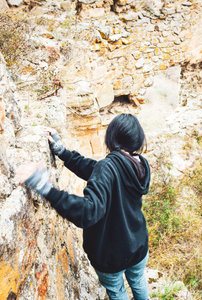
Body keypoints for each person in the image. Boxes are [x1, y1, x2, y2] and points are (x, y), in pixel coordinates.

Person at [16, 114, 151, 300]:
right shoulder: (138, 164)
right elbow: (97, 170)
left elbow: (88, 211)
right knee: (138, 281)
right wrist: (63, 153)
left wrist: (46, 188)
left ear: (111, 137)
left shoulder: (109, 167)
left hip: (110, 253)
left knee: (118, 291)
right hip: (138, 245)